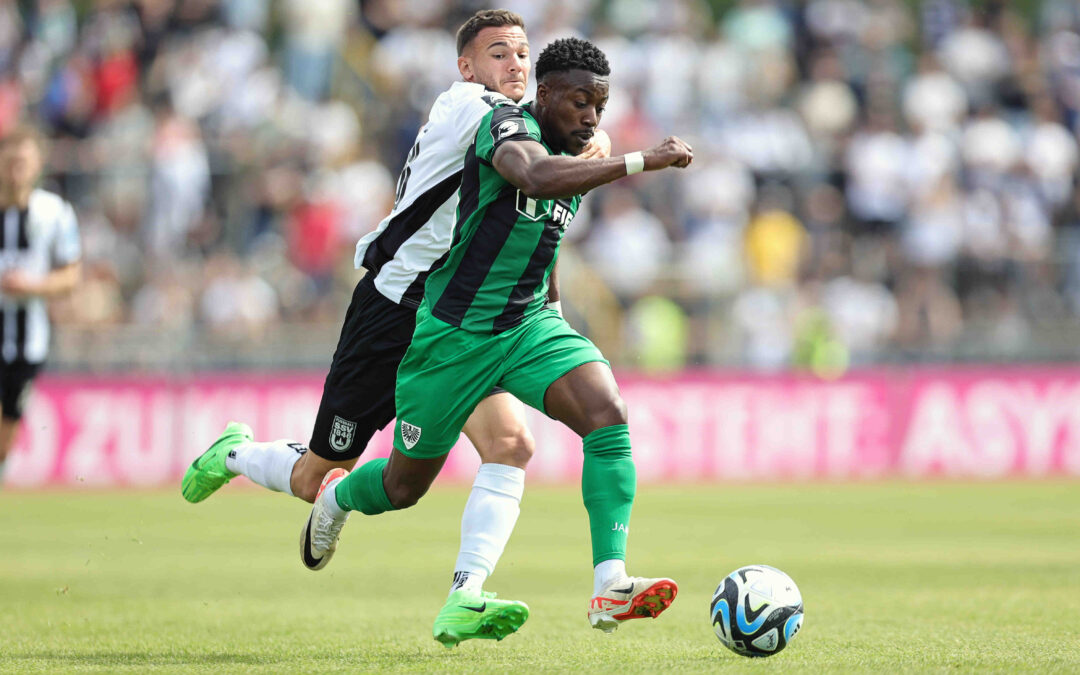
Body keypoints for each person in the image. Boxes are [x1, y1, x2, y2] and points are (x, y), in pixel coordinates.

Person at [180, 10, 610, 647]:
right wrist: (601, 152)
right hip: (395, 309)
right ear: (467, 68)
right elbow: (533, 166)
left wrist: (585, 144)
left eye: (522, 54)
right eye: (498, 54)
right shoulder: (475, 108)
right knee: (317, 474)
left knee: (513, 443)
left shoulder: (519, 120)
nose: (514, 65)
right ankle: (236, 453)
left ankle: (466, 594)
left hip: (463, 318)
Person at [303, 37, 693, 636]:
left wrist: (555, 310)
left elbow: (546, 231)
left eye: (600, 105)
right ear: (544, 94)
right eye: (578, 101)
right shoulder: (502, 126)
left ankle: (609, 586)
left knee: (606, 415)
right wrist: (644, 160)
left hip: (527, 323)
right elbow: (534, 179)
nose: (590, 116)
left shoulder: (584, 149)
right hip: (453, 337)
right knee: (403, 486)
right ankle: (337, 499)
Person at [0, 126, 82, 485]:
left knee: (6, 432)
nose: (17, 169)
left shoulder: (54, 213)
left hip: (26, 342)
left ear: (36, 166)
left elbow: (71, 275)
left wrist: (30, 287)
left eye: (24, 162)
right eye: (11, 161)